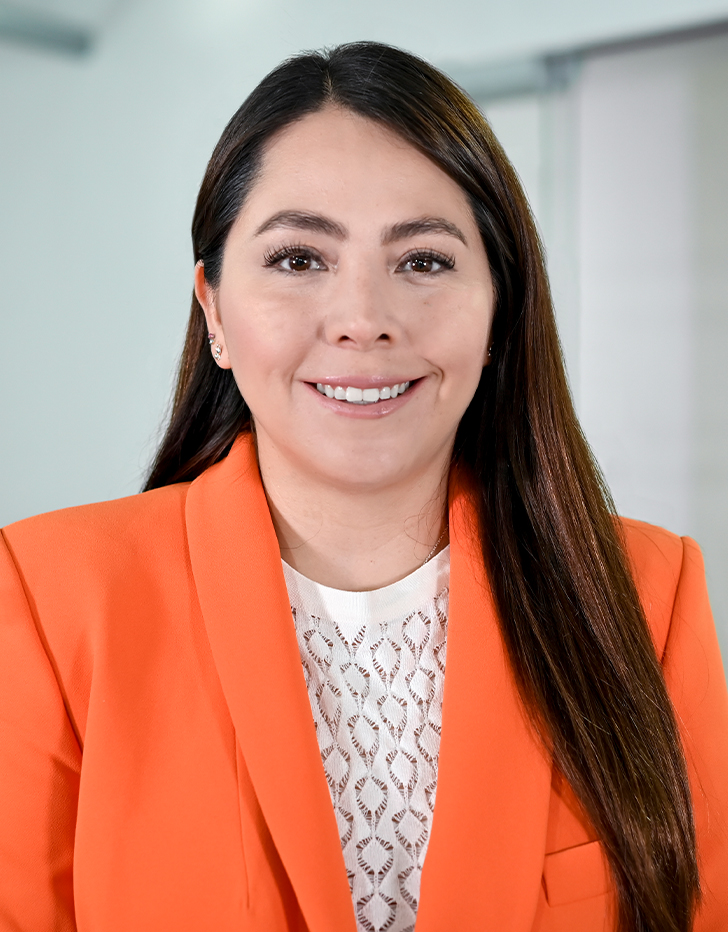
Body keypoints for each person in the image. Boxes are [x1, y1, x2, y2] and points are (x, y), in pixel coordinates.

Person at [1, 41, 727, 932]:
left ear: (500, 308)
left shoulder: (647, 594)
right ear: (214, 308)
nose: (363, 321)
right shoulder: (48, 597)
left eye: (423, 261)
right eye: (298, 259)